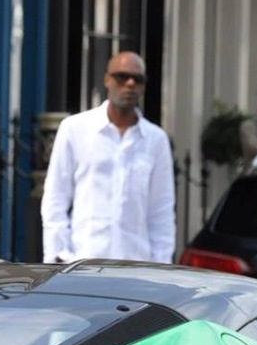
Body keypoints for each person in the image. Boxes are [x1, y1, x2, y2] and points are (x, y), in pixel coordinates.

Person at [41, 52, 176, 264]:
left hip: (136, 266)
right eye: (122, 77)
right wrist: (58, 255)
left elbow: (162, 210)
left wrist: (161, 264)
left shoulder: (156, 140)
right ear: (107, 80)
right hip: (83, 263)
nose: (130, 84)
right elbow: (56, 197)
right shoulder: (75, 129)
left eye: (137, 79)